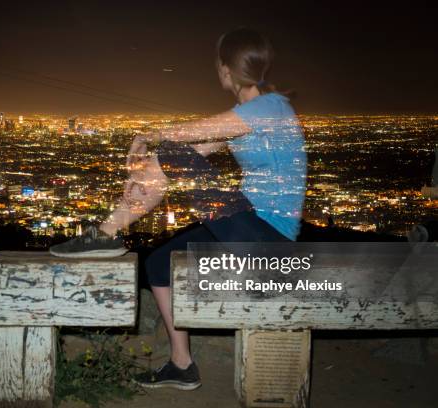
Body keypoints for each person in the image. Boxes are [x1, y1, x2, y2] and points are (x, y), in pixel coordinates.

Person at [50, 27, 307, 390]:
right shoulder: (253, 112)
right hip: (248, 228)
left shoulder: (269, 107)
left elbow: (191, 135)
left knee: (172, 151)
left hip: (269, 242)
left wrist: (152, 137)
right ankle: (181, 364)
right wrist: (145, 172)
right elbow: (199, 150)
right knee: (159, 265)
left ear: (224, 70)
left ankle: (106, 234)